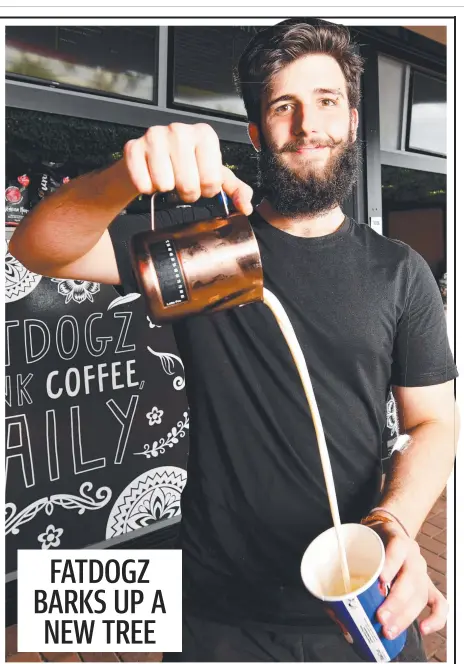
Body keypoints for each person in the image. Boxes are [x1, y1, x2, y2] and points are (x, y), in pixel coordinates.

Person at [10, 21, 458, 663]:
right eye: (284, 105)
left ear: (353, 121)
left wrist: (396, 525)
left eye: (328, 101)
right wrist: (123, 178)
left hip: (358, 591)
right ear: (256, 134)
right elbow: (38, 248)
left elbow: (434, 420)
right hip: (215, 609)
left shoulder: (398, 271)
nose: (308, 124)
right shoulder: (210, 248)